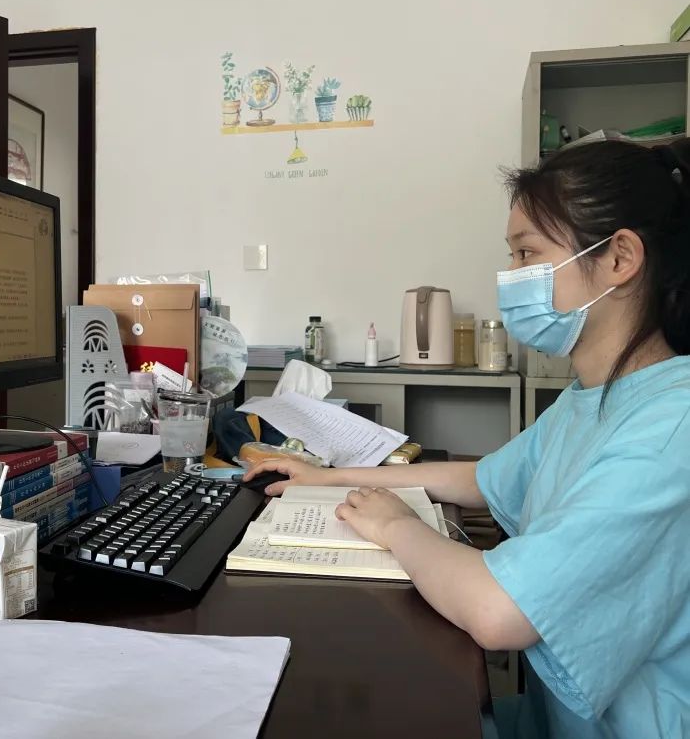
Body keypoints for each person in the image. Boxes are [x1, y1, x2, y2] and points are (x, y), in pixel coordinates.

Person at [243, 140, 690, 738]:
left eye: (528, 253)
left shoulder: (672, 426)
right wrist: (329, 477)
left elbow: (499, 611)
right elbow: (480, 478)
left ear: (619, 258)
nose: (511, 278)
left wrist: (396, 526)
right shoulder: (594, 396)